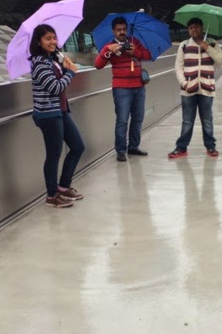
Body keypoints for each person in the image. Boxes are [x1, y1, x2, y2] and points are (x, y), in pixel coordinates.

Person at [30, 24, 86, 208]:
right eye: (47, 39)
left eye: (54, 38)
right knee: (54, 154)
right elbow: (55, 87)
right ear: (39, 42)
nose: (52, 41)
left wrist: (64, 67)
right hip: (48, 114)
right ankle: (51, 195)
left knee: (77, 146)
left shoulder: (52, 59)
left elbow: (58, 83)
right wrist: (70, 72)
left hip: (61, 111)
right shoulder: (39, 63)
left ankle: (63, 187)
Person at [94, 16, 152, 162]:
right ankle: (120, 150)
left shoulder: (134, 42)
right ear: (113, 31)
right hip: (121, 88)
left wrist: (135, 52)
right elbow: (98, 65)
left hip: (139, 86)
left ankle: (133, 146)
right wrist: (108, 49)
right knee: (122, 120)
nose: (122, 32)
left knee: (138, 118)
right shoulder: (110, 46)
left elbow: (148, 55)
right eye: (119, 30)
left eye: (124, 29)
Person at [168, 17, 222, 159]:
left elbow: (221, 61)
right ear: (188, 30)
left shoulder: (211, 43)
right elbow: (178, 67)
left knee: (207, 120)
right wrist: (184, 84)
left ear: (202, 28)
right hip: (188, 90)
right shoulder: (184, 45)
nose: (194, 29)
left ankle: (210, 146)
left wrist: (208, 48)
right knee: (187, 121)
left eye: (196, 27)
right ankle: (181, 148)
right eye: (191, 27)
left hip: (207, 88)